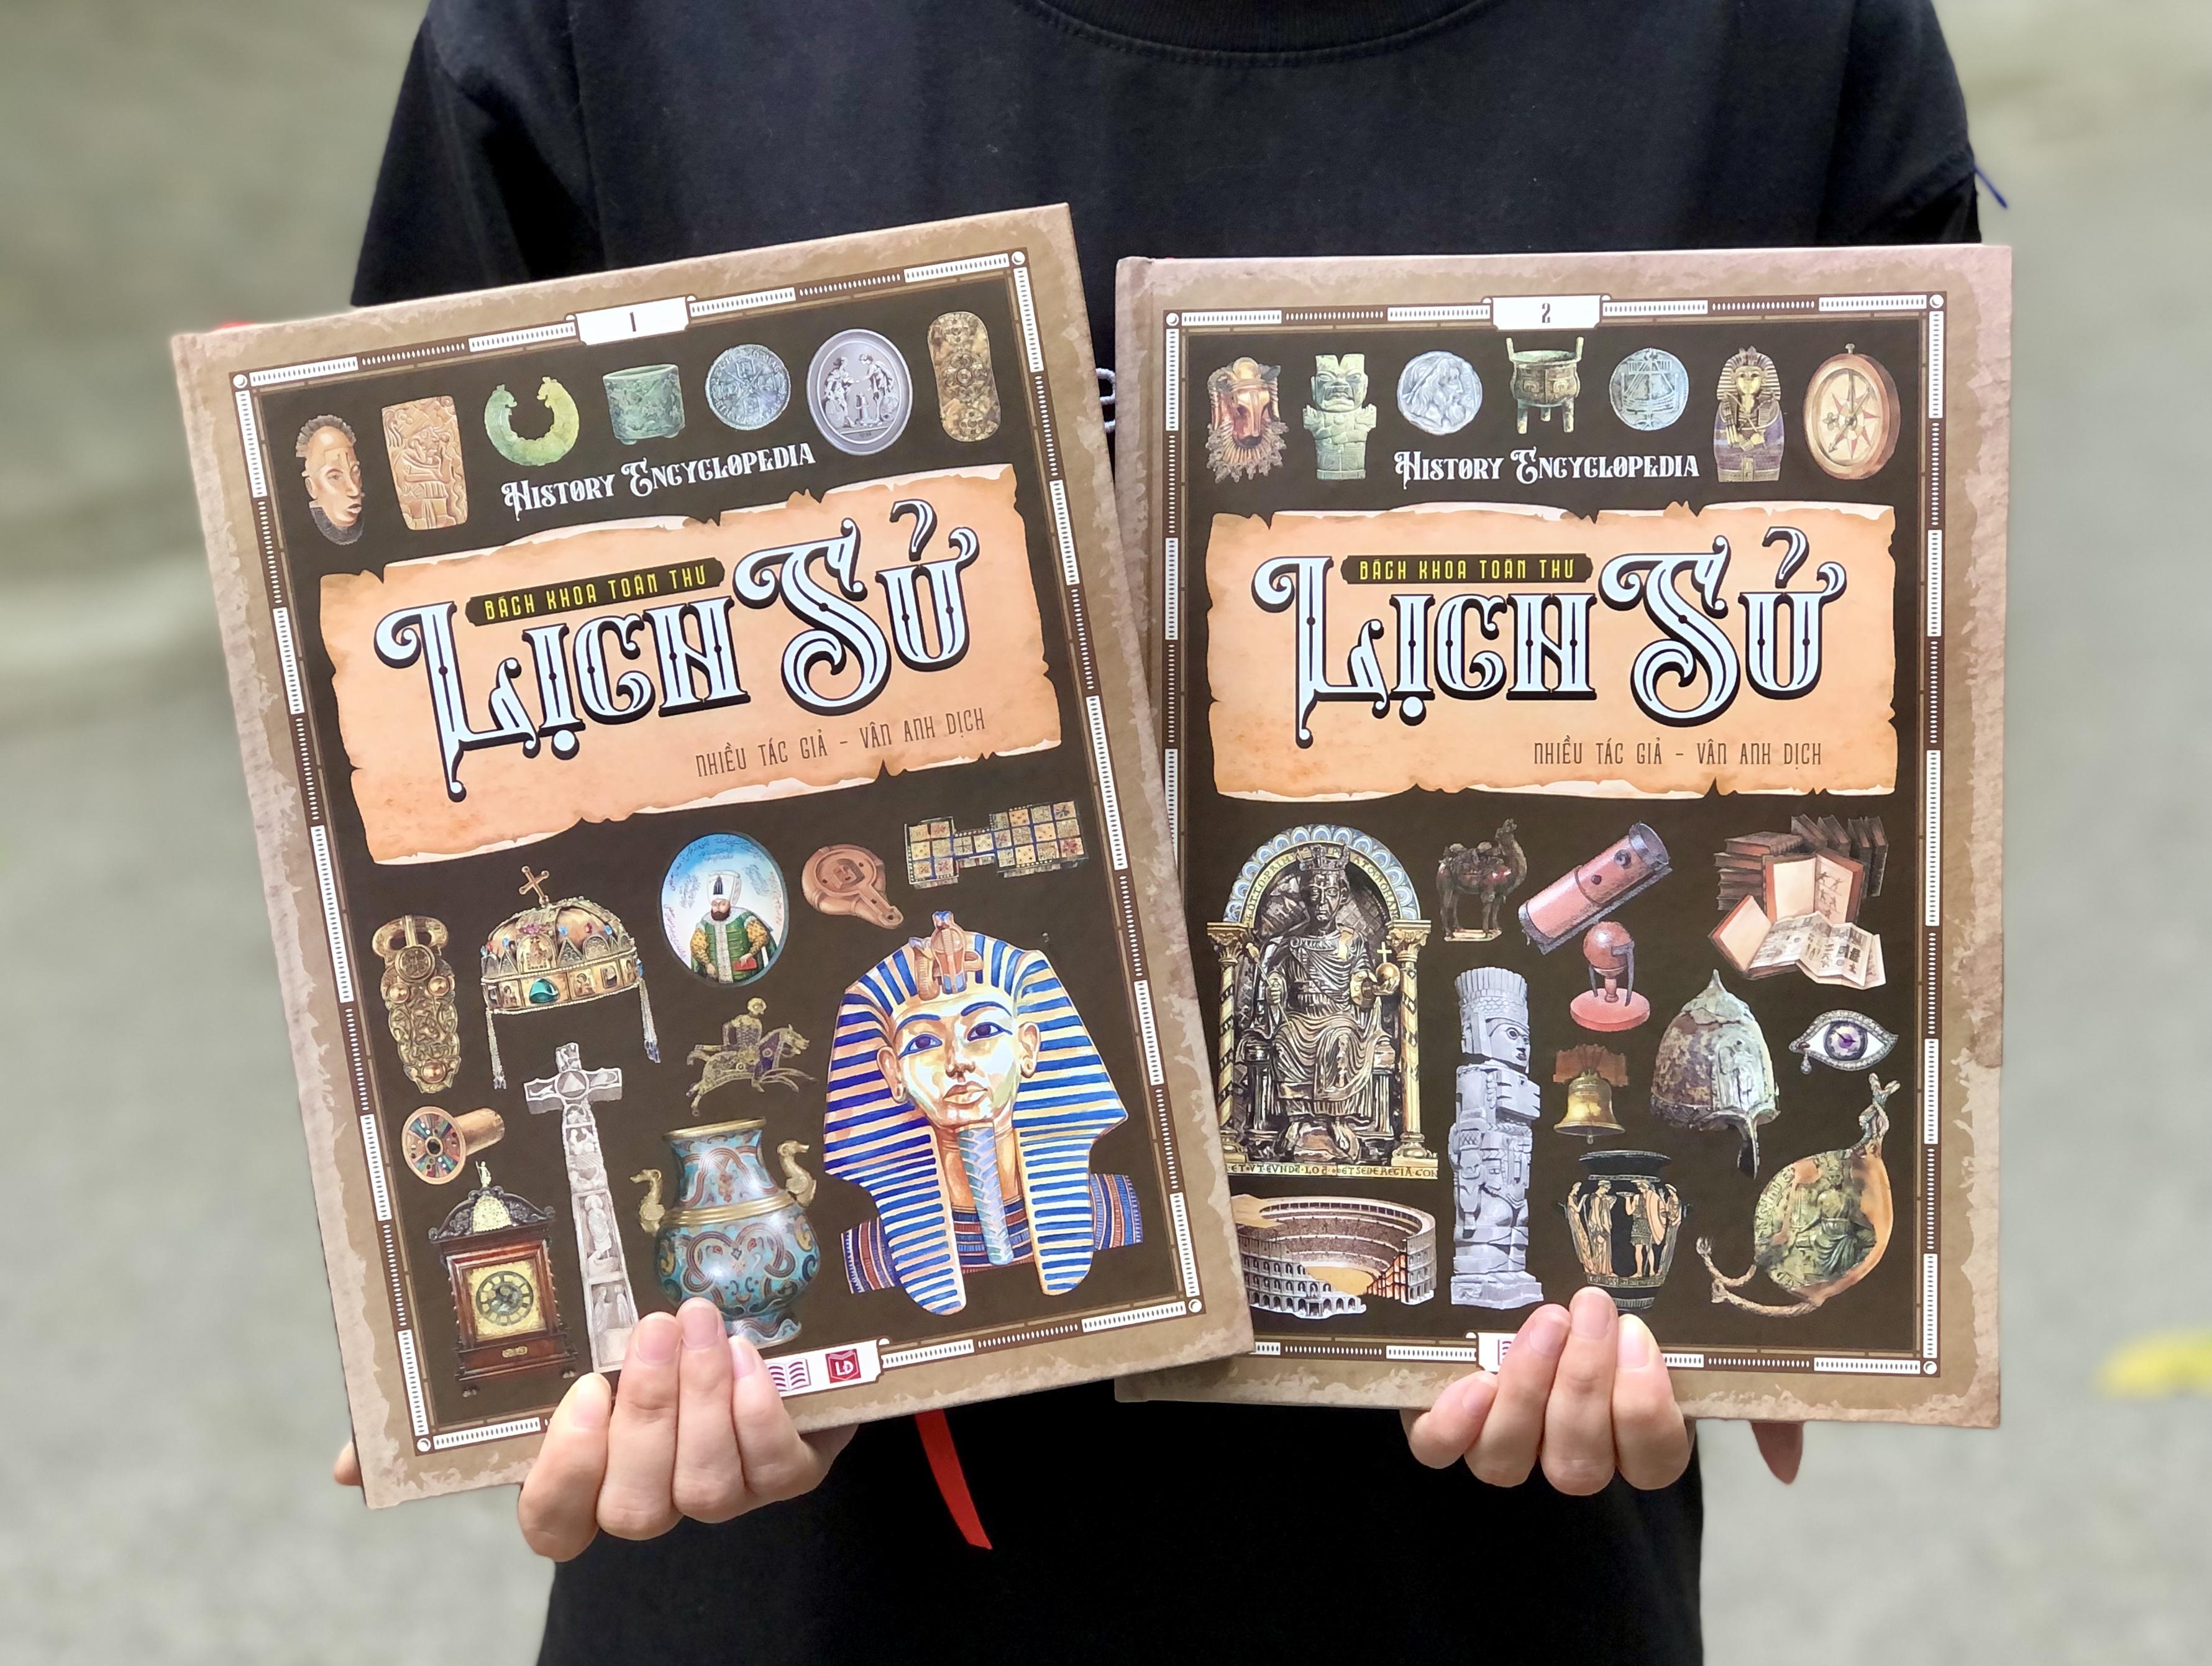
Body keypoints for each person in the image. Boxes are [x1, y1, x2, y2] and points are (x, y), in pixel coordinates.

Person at [340, 2, 1977, 1659]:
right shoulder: (621, 33)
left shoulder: (1776, 36)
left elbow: (1871, 720)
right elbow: (411, 644)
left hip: (1482, 1559)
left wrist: (1776, 1277)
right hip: (803, 1566)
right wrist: (507, 1353)